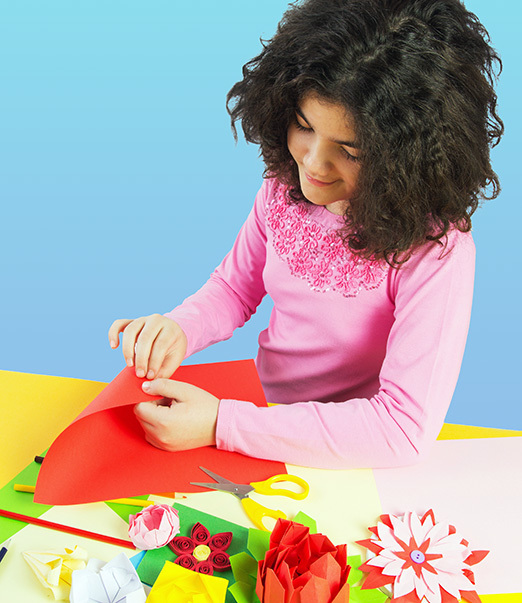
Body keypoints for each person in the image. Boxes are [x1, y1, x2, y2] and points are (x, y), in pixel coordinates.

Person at [108, 0, 503, 469]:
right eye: (304, 126)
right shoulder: (283, 187)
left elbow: (401, 430)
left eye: (350, 151)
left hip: (349, 455)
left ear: (407, 158)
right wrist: (177, 328)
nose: (313, 164)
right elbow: (235, 288)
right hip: (260, 422)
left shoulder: (436, 251)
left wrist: (223, 424)